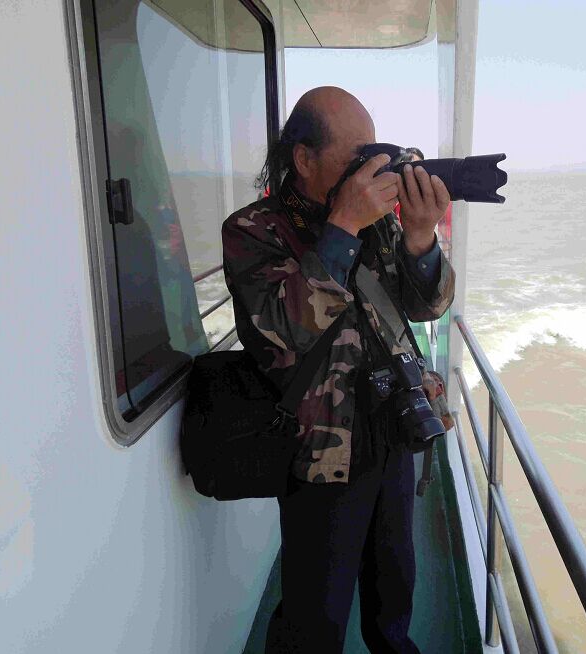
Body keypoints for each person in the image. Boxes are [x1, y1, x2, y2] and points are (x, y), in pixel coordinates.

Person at [221, 86, 455, 654]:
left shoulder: (378, 226)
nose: (370, 168)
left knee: (393, 595)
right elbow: (281, 331)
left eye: (374, 153)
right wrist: (343, 226)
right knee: (314, 614)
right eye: (357, 157)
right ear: (304, 159)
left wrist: (420, 237)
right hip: (321, 449)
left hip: (392, 430)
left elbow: (426, 306)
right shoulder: (253, 230)